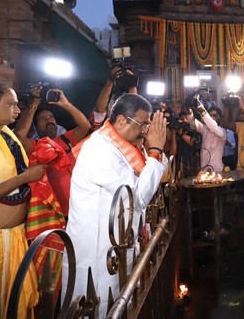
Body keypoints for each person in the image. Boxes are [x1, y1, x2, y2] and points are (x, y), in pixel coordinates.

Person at [65, 93, 167, 318]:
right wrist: (155, 150)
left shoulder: (120, 145)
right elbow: (138, 197)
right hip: (98, 257)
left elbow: (160, 173)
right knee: (101, 309)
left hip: (116, 249)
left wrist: (152, 149)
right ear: (121, 121)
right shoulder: (99, 150)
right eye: (142, 125)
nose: (145, 131)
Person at [0, 83, 46, 319]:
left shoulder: (4, 132)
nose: (17, 110)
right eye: (11, 104)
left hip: (11, 239)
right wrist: (24, 178)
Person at [14, 87, 91, 218]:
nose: (49, 120)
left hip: (80, 210)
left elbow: (85, 126)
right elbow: (18, 137)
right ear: (36, 126)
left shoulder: (66, 140)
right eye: (43, 119)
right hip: (52, 214)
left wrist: (66, 104)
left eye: (51, 117)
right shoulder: (35, 146)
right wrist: (34, 103)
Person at [186, 103, 226, 173]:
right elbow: (192, 124)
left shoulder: (222, 131)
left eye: (215, 115)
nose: (212, 118)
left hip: (217, 170)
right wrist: (189, 110)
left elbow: (213, 127)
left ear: (221, 118)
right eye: (210, 116)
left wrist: (203, 111)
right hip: (204, 171)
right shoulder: (204, 129)